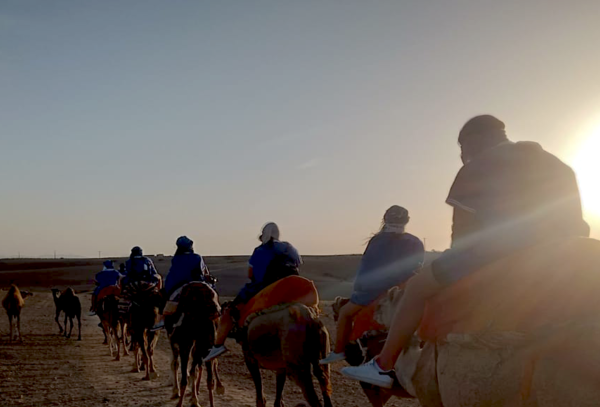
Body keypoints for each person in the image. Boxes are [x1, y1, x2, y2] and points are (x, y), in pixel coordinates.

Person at [342, 115, 589, 388]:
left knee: (417, 287)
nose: (462, 155)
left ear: (471, 142)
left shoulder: (479, 166)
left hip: (503, 251)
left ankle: (383, 364)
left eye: (461, 148)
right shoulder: (559, 165)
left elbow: (462, 237)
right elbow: (576, 222)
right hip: (565, 252)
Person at [321, 206, 424, 364]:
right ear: (407, 221)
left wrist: (360, 289)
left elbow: (367, 269)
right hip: (405, 290)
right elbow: (417, 267)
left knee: (344, 313)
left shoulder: (377, 240)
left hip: (374, 292)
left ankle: (339, 350)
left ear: (385, 219)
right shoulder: (415, 241)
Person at [202, 222, 302, 362]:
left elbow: (251, 274)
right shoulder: (291, 248)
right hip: (291, 289)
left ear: (264, 236)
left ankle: (218, 345)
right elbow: (298, 266)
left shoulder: (260, 250)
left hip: (264, 288)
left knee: (229, 311)